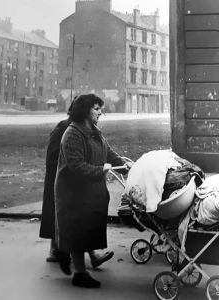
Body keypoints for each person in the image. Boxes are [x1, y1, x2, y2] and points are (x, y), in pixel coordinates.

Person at [54, 94, 133, 288]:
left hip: (90, 190)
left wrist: (124, 165)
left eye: (100, 109)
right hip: (73, 191)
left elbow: (109, 152)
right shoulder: (72, 134)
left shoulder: (95, 131)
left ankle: (65, 252)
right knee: (79, 230)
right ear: (85, 110)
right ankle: (80, 274)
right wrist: (101, 170)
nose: (100, 112)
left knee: (88, 227)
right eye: (96, 108)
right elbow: (77, 166)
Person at [39, 100, 114, 272]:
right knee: (63, 220)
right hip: (64, 179)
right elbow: (53, 157)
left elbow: (104, 151)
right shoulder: (64, 128)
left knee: (78, 222)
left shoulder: (88, 130)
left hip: (79, 180)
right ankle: (56, 251)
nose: (99, 113)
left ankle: (91, 257)